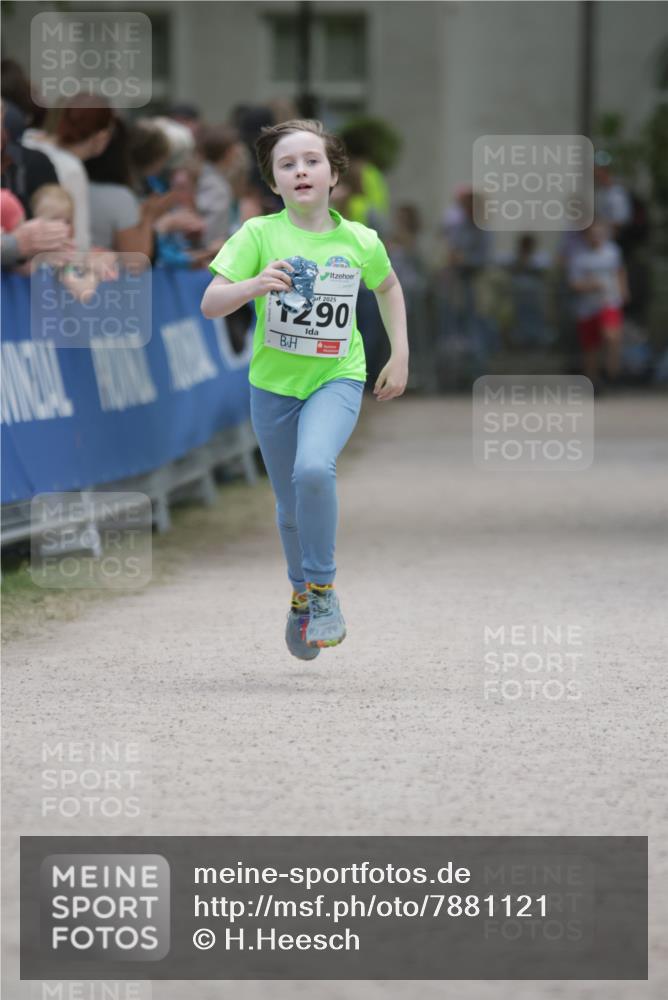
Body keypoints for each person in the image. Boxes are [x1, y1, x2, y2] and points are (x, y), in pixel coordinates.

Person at [201, 119, 408, 659]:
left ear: (334, 173)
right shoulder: (258, 235)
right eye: (286, 165)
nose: (300, 171)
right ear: (273, 182)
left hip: (337, 375)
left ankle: (322, 591)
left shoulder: (360, 240)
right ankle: (300, 595)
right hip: (273, 386)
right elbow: (211, 302)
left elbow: (388, 287)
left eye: (311, 161)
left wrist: (399, 354)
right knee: (290, 502)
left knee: (315, 468)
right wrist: (255, 283)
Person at [568, 220, 629, 386]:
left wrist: (623, 291)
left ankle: (612, 372)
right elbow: (574, 284)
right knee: (590, 350)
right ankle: (594, 382)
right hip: (587, 308)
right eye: (593, 234)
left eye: (600, 234)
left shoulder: (612, 251)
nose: (596, 237)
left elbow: (619, 271)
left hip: (609, 301)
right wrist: (590, 286)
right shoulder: (579, 257)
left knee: (612, 336)